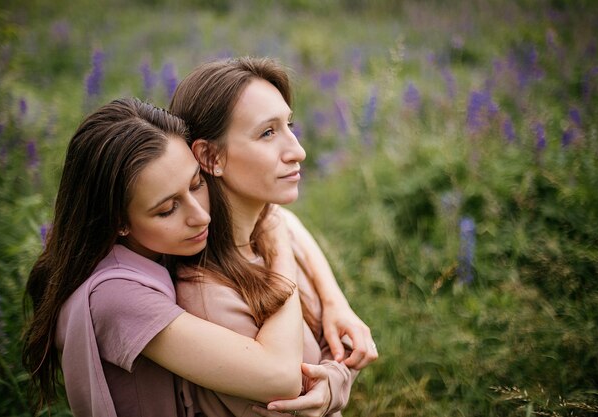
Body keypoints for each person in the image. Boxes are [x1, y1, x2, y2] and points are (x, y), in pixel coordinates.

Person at [22, 97, 307, 417]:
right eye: (167, 209)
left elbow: (277, 215)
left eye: (197, 184)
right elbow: (280, 377)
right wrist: (279, 245)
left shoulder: (158, 247)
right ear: (119, 222)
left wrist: (338, 308)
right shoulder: (116, 297)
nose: (200, 216)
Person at [168, 57, 378, 416]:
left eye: (289, 125)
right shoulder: (210, 298)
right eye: (268, 133)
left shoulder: (268, 230)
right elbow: (298, 403)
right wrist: (336, 380)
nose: (298, 151)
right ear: (210, 156)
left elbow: (340, 348)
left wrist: (334, 302)